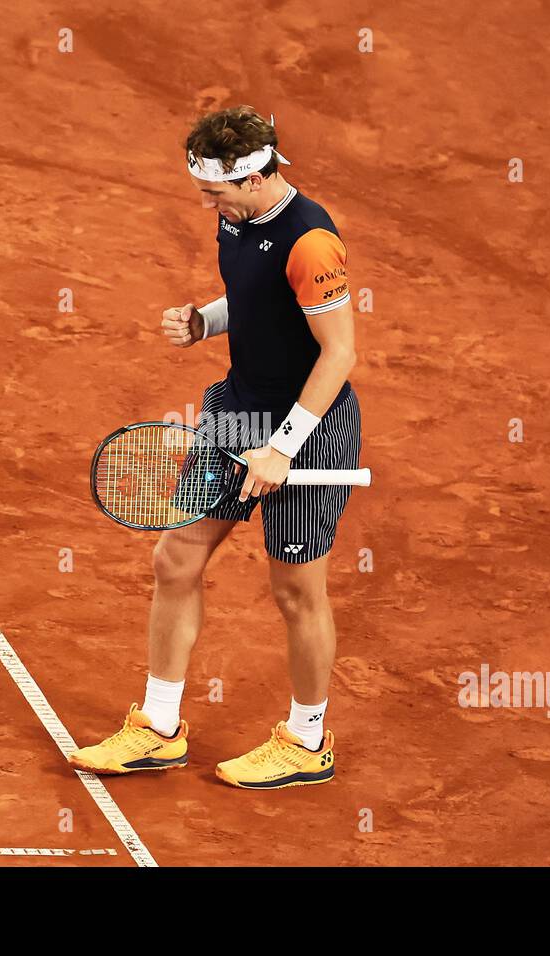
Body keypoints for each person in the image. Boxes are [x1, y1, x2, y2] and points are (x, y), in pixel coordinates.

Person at [69, 106, 361, 789]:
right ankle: (159, 729)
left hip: (307, 430)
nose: (207, 203)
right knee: (177, 556)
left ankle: (307, 741)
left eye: (216, 192)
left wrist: (283, 447)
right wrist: (206, 319)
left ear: (257, 178)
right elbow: (255, 296)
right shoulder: (237, 218)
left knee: (295, 590)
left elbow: (339, 352)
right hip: (236, 412)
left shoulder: (312, 242)